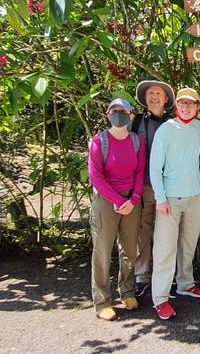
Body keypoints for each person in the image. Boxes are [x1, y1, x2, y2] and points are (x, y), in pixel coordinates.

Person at [150, 87, 200, 320]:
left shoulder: (199, 127)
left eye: (191, 103)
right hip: (170, 199)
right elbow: (155, 167)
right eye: (182, 103)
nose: (186, 107)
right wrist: (160, 198)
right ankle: (160, 298)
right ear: (176, 105)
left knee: (188, 245)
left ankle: (185, 284)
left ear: (197, 107)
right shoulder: (166, 129)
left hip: (195, 196)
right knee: (165, 249)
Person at [87, 98, 146, 321]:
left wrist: (134, 198)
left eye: (123, 111)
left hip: (131, 199)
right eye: (114, 110)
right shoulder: (98, 141)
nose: (118, 114)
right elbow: (96, 176)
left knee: (130, 249)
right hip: (106, 201)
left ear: (131, 115)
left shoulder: (137, 141)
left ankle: (128, 292)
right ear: (108, 114)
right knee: (102, 250)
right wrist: (116, 200)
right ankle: (102, 300)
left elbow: (140, 173)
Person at [130, 80, 174, 301]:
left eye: (158, 93)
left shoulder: (174, 123)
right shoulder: (136, 121)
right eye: (150, 93)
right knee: (143, 231)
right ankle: (142, 276)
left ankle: (168, 275)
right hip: (145, 186)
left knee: (169, 232)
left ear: (166, 99)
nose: (154, 96)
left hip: (171, 186)